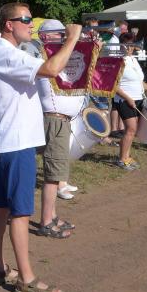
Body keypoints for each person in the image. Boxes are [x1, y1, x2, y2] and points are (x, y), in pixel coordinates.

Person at [0, 2, 81, 292]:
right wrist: (73, 38)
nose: (30, 24)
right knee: (20, 212)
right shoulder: (9, 54)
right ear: (8, 24)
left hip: (7, 139)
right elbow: (51, 69)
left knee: (1, 207)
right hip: (17, 141)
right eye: (25, 19)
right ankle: (26, 279)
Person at [33, 19, 84, 237]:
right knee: (54, 173)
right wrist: (73, 40)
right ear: (45, 36)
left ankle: (52, 215)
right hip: (54, 119)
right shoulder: (43, 57)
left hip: (61, 120)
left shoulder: (57, 55)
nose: (63, 37)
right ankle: (46, 221)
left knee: (56, 172)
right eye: (58, 34)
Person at [113, 32, 147, 170]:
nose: (129, 48)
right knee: (131, 129)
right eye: (126, 45)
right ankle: (122, 160)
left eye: (132, 45)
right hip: (124, 100)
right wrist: (128, 98)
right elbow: (113, 86)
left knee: (133, 130)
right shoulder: (118, 61)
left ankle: (126, 156)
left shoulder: (133, 60)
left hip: (138, 98)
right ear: (120, 45)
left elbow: (140, 81)